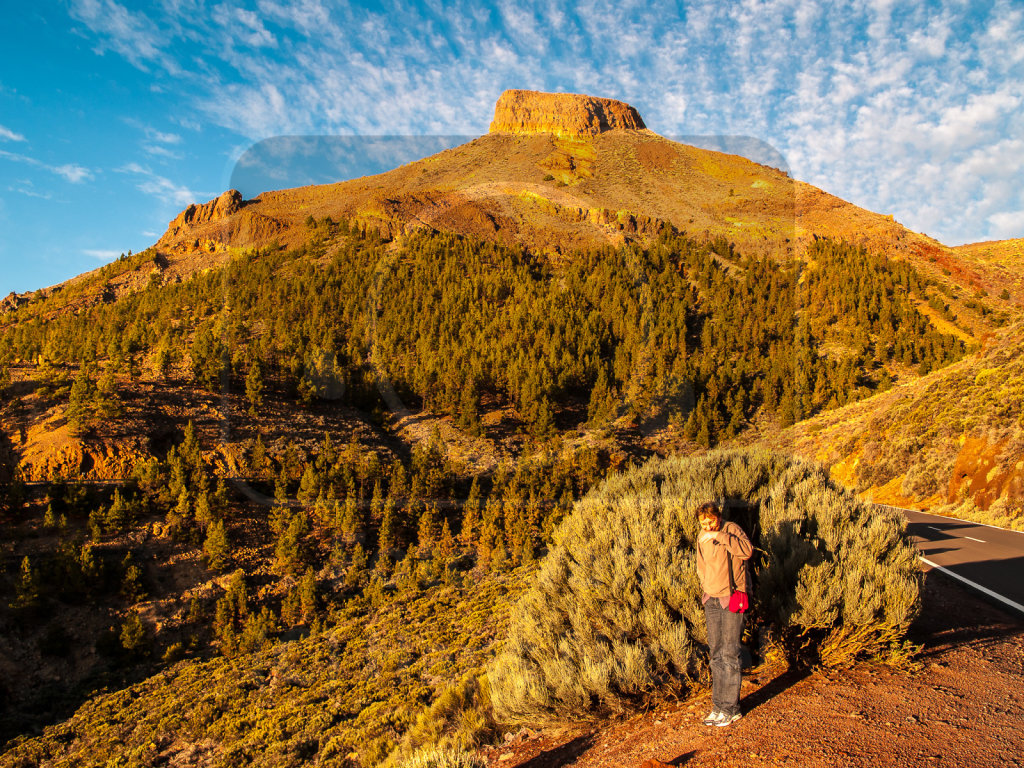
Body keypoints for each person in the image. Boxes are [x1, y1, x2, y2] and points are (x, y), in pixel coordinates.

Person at [694, 500, 753, 727]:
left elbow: (747, 552)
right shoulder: (701, 537)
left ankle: (731, 708)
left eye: (711, 521)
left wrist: (720, 536)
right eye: (703, 522)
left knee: (730, 653)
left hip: (732, 597)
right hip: (712, 599)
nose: (707, 526)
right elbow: (701, 565)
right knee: (716, 654)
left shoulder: (731, 530)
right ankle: (718, 707)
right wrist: (706, 588)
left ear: (718, 517)